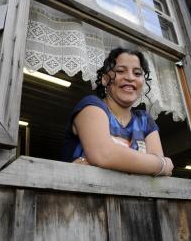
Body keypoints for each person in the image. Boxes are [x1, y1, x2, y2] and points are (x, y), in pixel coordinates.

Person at [62, 47, 174, 176]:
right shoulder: (92, 106)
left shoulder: (145, 121)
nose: (130, 77)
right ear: (105, 79)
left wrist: (114, 160)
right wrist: (161, 164)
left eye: (137, 73)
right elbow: (104, 154)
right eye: (120, 71)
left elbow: (159, 177)